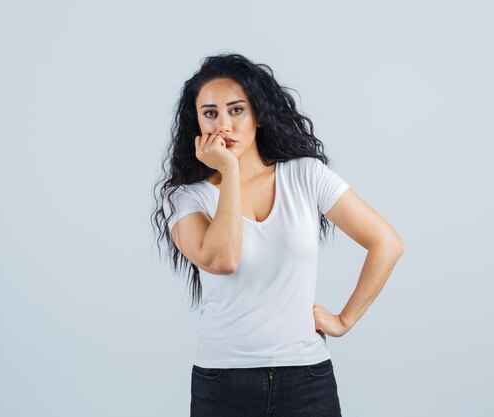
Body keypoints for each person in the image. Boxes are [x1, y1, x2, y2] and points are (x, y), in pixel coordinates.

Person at [152, 53, 405, 417]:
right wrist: (230, 171)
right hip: (223, 383)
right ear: (197, 124)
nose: (223, 125)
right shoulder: (185, 199)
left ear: (257, 116)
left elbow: (387, 243)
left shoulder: (306, 176)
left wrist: (343, 320)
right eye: (210, 114)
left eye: (236, 110)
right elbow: (223, 260)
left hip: (307, 380)